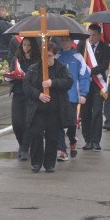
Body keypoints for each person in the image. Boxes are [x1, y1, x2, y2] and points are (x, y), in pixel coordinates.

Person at [23, 41, 73, 173]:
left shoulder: (60, 68)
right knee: (36, 135)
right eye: (44, 56)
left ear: (55, 56)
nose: (47, 59)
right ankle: (36, 163)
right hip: (38, 109)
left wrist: (53, 82)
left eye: (50, 56)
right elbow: (26, 86)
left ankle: (50, 163)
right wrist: (38, 94)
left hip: (54, 109)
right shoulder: (34, 68)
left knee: (52, 137)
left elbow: (69, 82)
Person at [56, 35, 90, 160]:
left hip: (72, 97)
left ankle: (72, 140)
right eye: (63, 40)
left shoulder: (78, 57)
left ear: (71, 42)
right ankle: (62, 150)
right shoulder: (56, 57)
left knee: (71, 124)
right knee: (58, 124)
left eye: (67, 40)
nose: (64, 42)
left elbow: (84, 76)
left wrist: (83, 93)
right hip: (59, 97)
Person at [79, 24, 110, 151]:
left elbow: (104, 65)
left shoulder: (105, 48)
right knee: (85, 112)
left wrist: (89, 72)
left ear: (99, 35)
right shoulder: (83, 46)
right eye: (89, 34)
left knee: (97, 112)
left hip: (98, 84)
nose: (91, 37)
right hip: (85, 84)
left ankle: (96, 140)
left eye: (94, 35)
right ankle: (87, 140)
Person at [9, 36, 41, 161]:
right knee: (17, 123)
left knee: (28, 122)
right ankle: (22, 144)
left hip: (31, 94)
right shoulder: (17, 59)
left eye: (28, 45)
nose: (26, 48)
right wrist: (11, 75)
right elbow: (12, 73)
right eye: (24, 45)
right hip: (18, 92)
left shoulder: (37, 61)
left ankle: (24, 148)